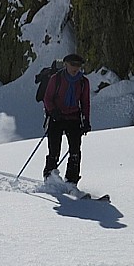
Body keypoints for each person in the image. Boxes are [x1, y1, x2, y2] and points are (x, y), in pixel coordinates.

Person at [42, 53, 91, 183]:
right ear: (66, 64)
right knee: (54, 151)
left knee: (75, 151)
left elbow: (85, 102)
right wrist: (53, 111)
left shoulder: (83, 82)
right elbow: (47, 98)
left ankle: (71, 181)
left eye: (78, 65)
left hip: (73, 118)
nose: (76, 68)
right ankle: (49, 179)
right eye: (73, 64)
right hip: (56, 118)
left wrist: (86, 120)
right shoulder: (56, 79)